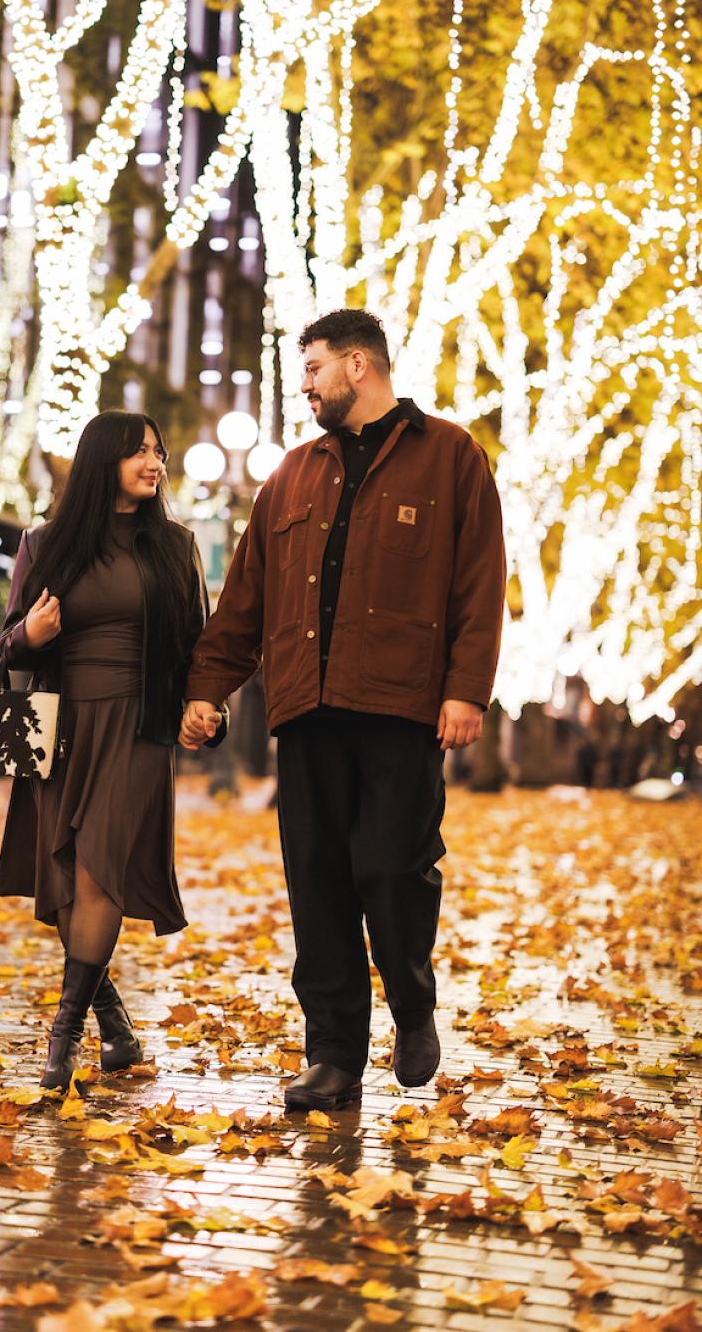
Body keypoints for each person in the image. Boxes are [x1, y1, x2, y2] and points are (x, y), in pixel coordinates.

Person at [181, 308, 506, 1111]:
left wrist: (466, 687)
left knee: (391, 869)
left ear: (359, 365)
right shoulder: (290, 474)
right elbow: (246, 598)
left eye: (315, 368)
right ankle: (332, 1055)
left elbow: (478, 577)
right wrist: (205, 687)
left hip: (400, 710)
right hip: (306, 710)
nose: (305, 385)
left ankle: (412, 1001)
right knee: (317, 884)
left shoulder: (450, 456)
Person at [0, 411, 226, 1091]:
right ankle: (116, 1028)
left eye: (159, 451)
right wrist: (30, 633)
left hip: (137, 726)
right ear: (104, 461)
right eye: (139, 453)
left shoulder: (174, 546)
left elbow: (199, 647)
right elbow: (5, 644)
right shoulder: (46, 544)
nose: (154, 463)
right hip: (59, 729)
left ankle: (62, 1037)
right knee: (65, 876)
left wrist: (210, 705)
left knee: (98, 873)